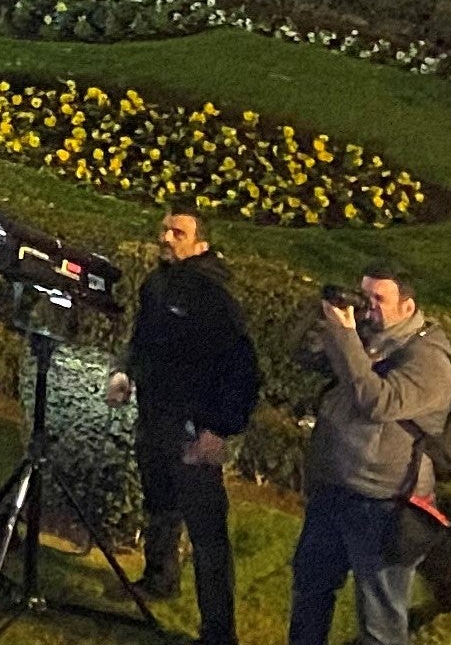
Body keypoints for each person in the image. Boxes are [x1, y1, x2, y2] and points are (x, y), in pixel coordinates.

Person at [289, 269, 451, 645]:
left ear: (407, 306)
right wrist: (322, 312)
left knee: (380, 623)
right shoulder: (366, 335)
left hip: (383, 505)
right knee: (310, 591)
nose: (368, 307)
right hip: (335, 489)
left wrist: (345, 336)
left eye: (378, 299)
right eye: (365, 296)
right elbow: (302, 354)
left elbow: (376, 401)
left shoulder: (429, 360)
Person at [114, 211, 257, 645]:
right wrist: (125, 372)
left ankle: (218, 631)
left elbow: (242, 369)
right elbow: (142, 339)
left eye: (178, 233)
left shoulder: (214, 295)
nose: (166, 238)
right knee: (160, 501)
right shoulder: (158, 283)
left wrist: (216, 430)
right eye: (164, 230)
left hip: (192, 426)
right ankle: (159, 577)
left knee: (206, 530)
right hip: (155, 416)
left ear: (201, 245)